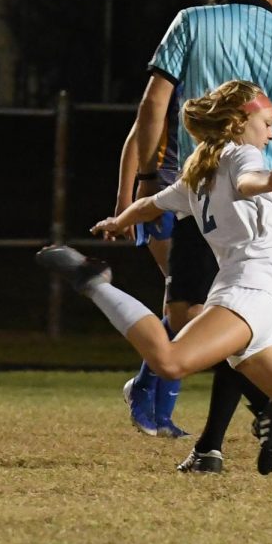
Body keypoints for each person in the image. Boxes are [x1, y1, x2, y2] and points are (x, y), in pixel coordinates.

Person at [38, 81, 272, 509]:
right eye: (268, 123)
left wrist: (118, 218)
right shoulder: (243, 155)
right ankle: (96, 282)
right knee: (169, 360)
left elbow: (152, 206)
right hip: (249, 293)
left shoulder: (198, 174)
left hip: (261, 308)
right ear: (240, 123)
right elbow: (248, 179)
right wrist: (269, 180)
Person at [121, 0, 272, 474]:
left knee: (194, 316)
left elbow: (153, 105)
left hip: (208, 189)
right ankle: (221, 438)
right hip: (264, 195)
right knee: (224, 315)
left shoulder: (192, 21)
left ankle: (258, 409)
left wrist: (145, 177)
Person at [115, 84, 189, 438]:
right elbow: (135, 137)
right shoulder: (175, 86)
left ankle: (160, 411)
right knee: (185, 303)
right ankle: (146, 393)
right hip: (161, 195)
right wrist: (124, 202)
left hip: (197, 200)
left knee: (187, 308)